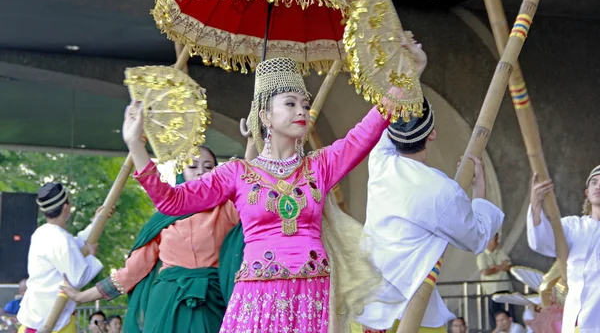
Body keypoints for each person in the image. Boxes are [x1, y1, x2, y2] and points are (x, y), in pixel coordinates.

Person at [121, 48, 426, 332]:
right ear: (265, 116)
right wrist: (136, 145)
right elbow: (171, 201)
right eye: (290, 103)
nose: (302, 111)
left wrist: (408, 76)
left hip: (311, 295)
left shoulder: (319, 167)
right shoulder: (239, 173)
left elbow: (366, 131)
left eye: (305, 105)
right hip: (257, 298)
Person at [355, 98, 504, 332]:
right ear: (432, 134)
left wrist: (412, 73)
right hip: (409, 311)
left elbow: (387, 126)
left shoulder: (380, 161)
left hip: (366, 304)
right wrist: (479, 189)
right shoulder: (442, 192)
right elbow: (478, 237)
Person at [61, 146, 239, 333]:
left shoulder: (228, 209)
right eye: (192, 166)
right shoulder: (162, 218)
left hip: (212, 301)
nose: (201, 172)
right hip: (166, 304)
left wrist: (250, 148)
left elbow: (254, 194)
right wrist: (82, 297)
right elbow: (132, 271)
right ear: (180, 172)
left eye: (209, 167)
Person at [16, 183, 105, 333]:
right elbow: (77, 278)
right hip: (53, 322)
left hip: (38, 316)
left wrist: (98, 222)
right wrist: (90, 256)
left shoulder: (42, 233)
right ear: (66, 207)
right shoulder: (61, 239)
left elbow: (76, 245)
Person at [528, 165, 600, 333]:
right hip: (576, 314)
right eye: (594, 183)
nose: (598, 186)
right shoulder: (572, 226)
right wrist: (536, 205)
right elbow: (542, 242)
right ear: (587, 193)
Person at [477, 233, 514, 328]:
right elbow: (485, 271)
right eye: (495, 239)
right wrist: (501, 267)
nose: (497, 242)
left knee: (509, 314)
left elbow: (509, 267)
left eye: (497, 239)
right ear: (488, 241)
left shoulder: (501, 252)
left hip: (505, 288)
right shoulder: (481, 255)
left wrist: (495, 268)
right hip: (491, 291)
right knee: (494, 316)